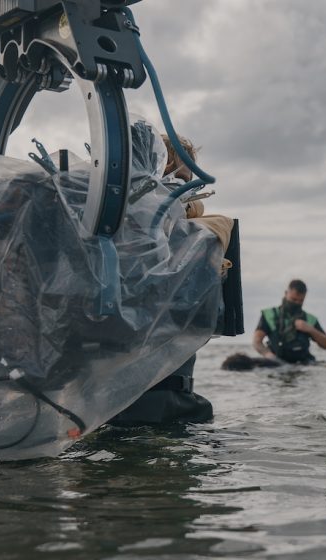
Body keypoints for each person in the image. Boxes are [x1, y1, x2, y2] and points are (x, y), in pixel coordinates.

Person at [107, 134, 224, 427]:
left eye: (187, 180)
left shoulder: (191, 233)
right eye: (176, 178)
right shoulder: (113, 232)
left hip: (161, 405)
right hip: (131, 407)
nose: (183, 189)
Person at [254, 279, 326, 364]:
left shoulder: (309, 319)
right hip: (277, 364)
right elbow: (257, 342)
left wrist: (310, 329)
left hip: (304, 365)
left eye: (301, 301)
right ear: (286, 293)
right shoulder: (269, 315)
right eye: (293, 299)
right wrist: (268, 355)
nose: (297, 303)